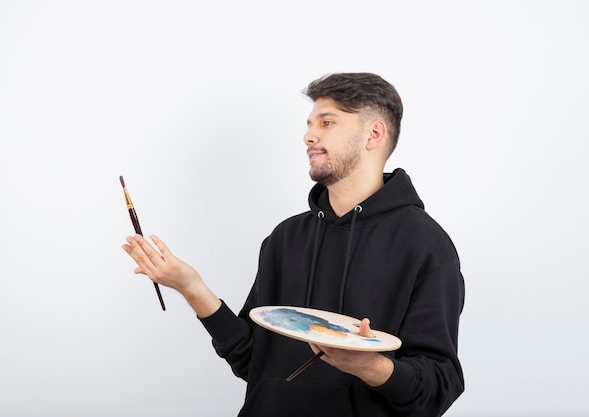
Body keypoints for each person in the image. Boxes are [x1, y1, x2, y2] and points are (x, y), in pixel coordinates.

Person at [122, 72, 465, 416]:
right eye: (310, 124)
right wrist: (191, 287)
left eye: (327, 122)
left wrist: (370, 367)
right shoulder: (286, 238)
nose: (309, 136)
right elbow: (252, 362)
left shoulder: (426, 245)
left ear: (373, 134)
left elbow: (438, 388)